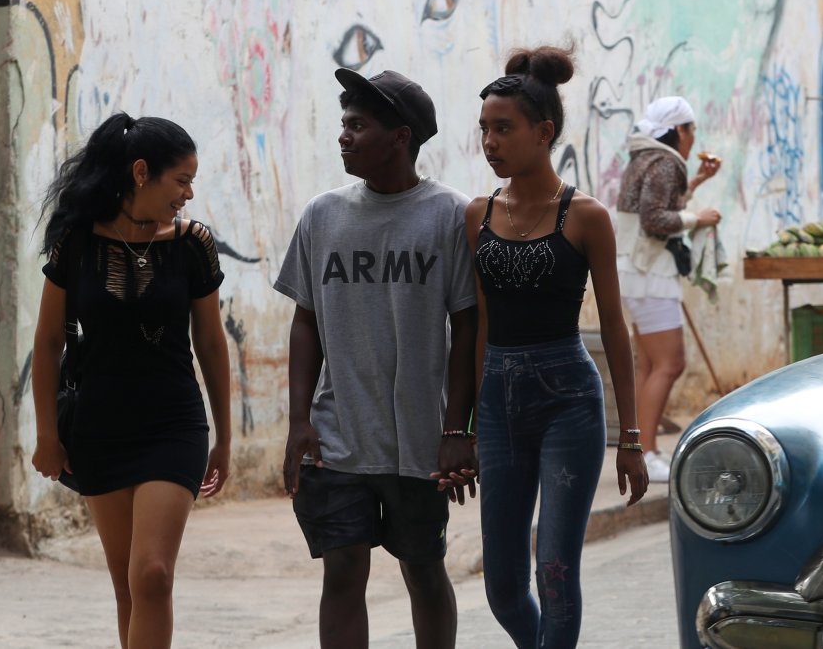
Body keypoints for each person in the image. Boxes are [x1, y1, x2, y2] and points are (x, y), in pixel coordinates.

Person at [273, 68, 477, 649]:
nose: (344, 136)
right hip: (337, 437)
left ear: (400, 137)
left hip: (418, 442)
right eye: (344, 124)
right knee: (341, 571)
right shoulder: (322, 215)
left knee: (424, 568)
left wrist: (457, 429)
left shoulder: (450, 215)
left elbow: (468, 330)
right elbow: (305, 321)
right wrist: (298, 420)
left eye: (358, 126)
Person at [466, 46, 649, 649]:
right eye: (484, 129)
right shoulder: (477, 215)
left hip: (568, 398)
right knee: (502, 585)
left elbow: (614, 328)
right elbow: (479, 325)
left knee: (556, 573)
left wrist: (631, 439)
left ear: (543, 133)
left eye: (503, 129)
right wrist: (465, 424)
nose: (490, 142)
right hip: (498, 402)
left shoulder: (585, 216)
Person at [30, 113, 231, 649]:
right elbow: (47, 342)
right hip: (99, 428)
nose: (189, 194)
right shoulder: (76, 242)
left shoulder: (193, 244)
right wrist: (47, 434)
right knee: (127, 587)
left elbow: (211, 344)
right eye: (181, 180)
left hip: (174, 425)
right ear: (141, 173)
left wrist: (225, 438)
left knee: (153, 575)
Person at [613, 96, 721, 483]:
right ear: (679, 130)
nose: (693, 138)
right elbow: (655, 218)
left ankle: (643, 449)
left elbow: (657, 204)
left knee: (650, 366)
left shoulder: (646, 156)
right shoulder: (664, 161)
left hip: (635, 270)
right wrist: (697, 218)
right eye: (691, 129)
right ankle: (647, 452)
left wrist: (696, 183)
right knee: (670, 363)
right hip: (649, 274)